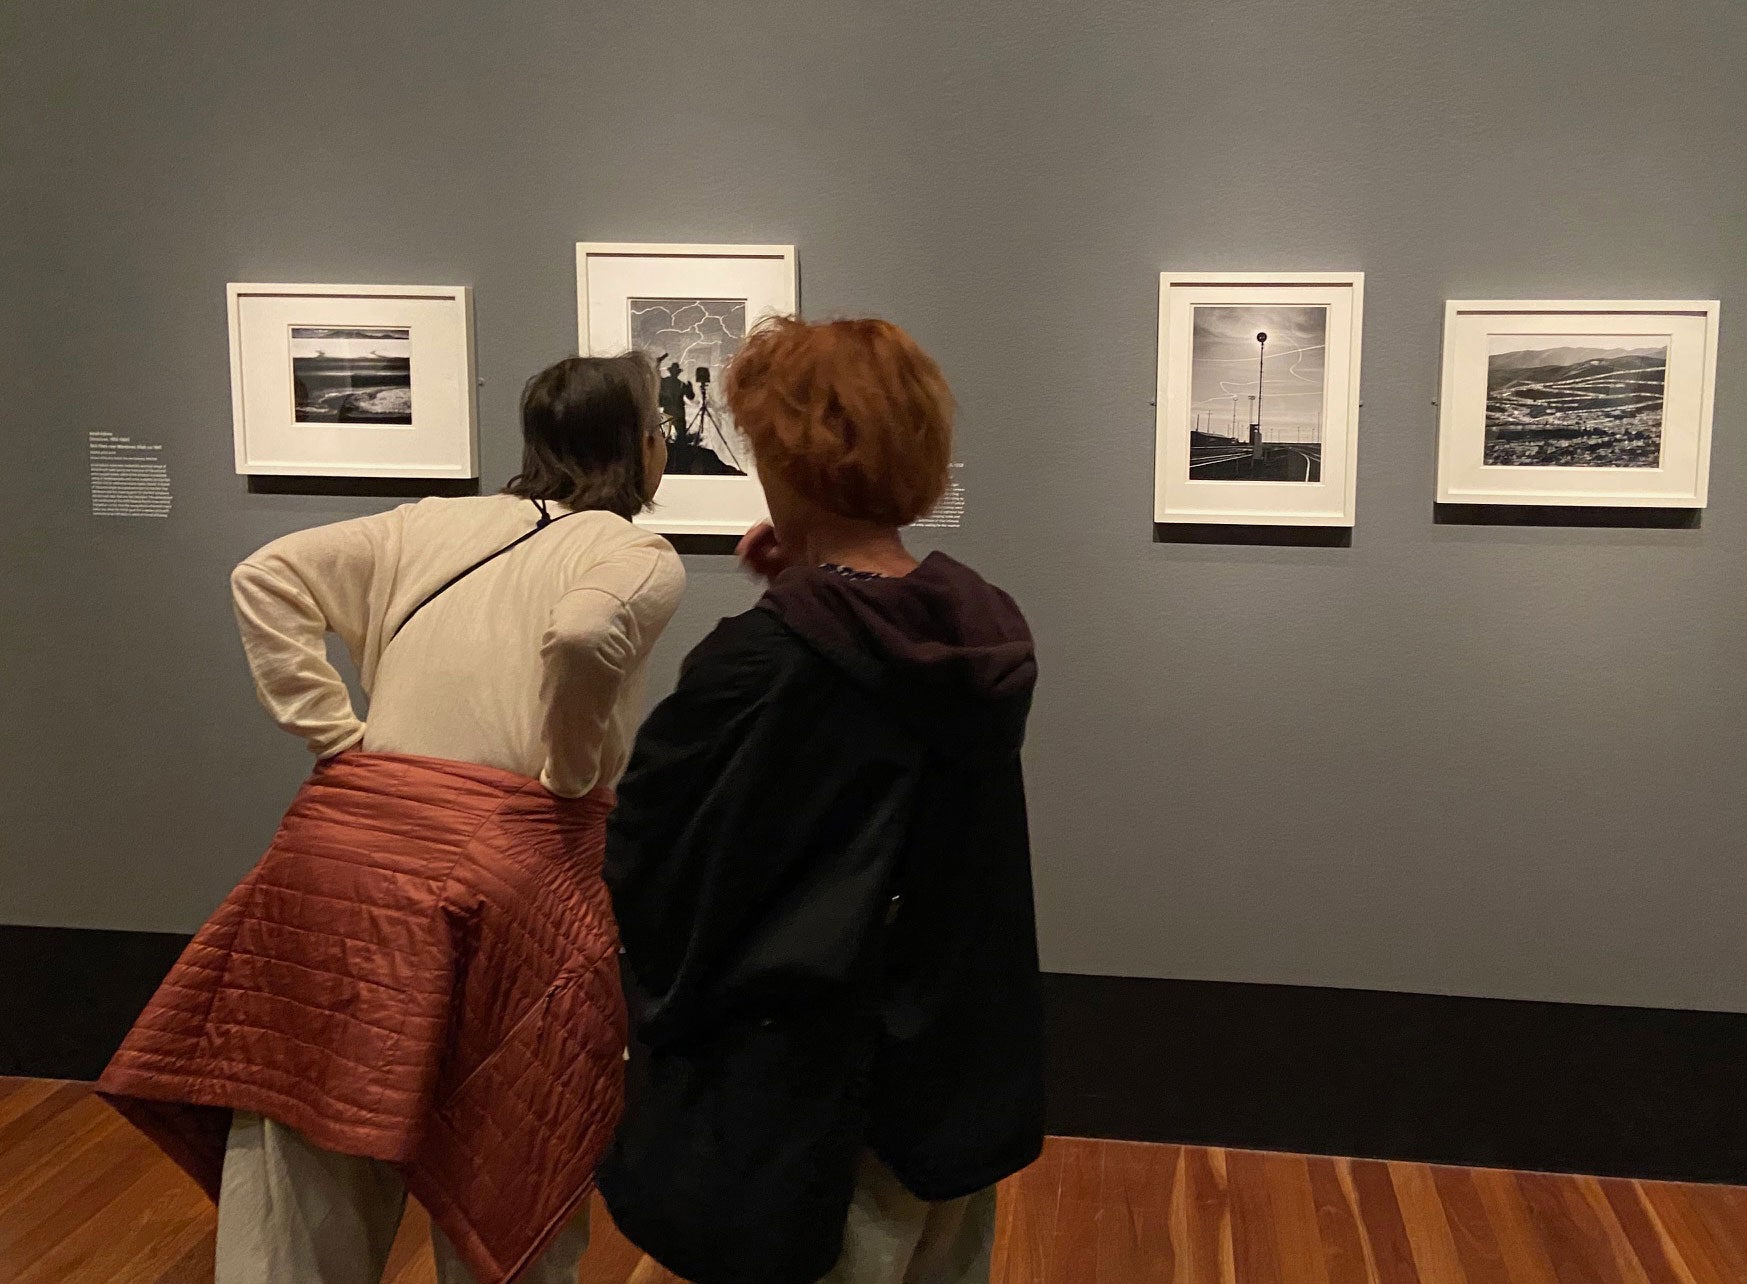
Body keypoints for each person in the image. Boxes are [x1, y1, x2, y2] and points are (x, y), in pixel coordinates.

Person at [97, 354, 687, 1284]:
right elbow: (582, 635)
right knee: (503, 1137)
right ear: (640, 447)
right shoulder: (630, 552)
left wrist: (338, 741)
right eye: (659, 429)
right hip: (507, 869)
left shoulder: (428, 523)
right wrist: (568, 778)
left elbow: (267, 575)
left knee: (303, 1138)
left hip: (336, 852)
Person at [601, 317, 1044, 1284]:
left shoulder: (761, 662)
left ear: (790, 459)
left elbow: (650, 856)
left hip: (808, 1098)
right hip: (950, 1067)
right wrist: (802, 585)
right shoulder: (978, 631)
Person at [659, 360, 694, 445]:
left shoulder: (665, 382)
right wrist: (690, 388)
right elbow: (691, 396)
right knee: (680, 435)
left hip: (670, 412)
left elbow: (690, 396)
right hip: (678, 413)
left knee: (666, 435)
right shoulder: (681, 384)